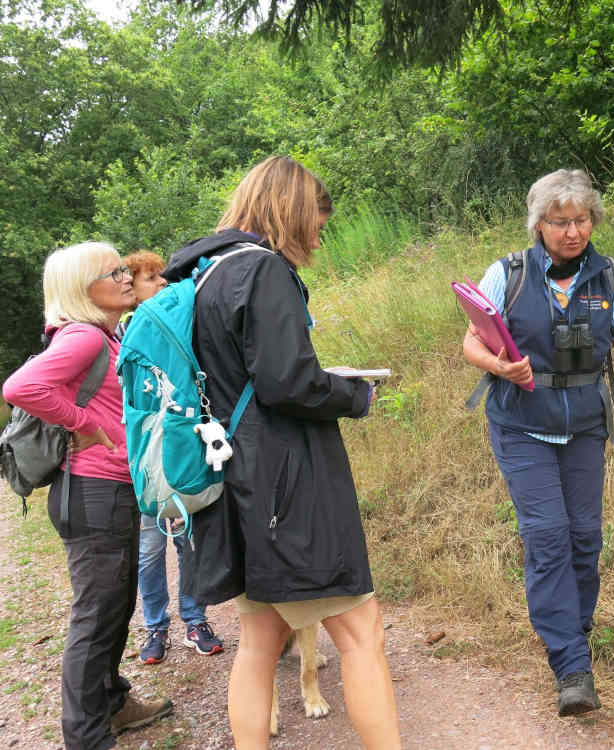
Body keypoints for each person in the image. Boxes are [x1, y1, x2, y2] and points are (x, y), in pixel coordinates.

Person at [161, 155, 402, 750]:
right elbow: (286, 383)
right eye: (319, 218)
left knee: (259, 640)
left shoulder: (205, 274)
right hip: (285, 487)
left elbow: (245, 375)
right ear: (292, 211)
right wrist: (355, 392)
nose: (322, 232)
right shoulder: (264, 270)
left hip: (238, 482)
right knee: (361, 634)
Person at [462, 169, 614, 717]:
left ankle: (571, 631)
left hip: (584, 428)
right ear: (539, 225)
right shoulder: (508, 274)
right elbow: (470, 342)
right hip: (522, 425)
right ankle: (572, 666)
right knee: (547, 535)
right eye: (559, 222)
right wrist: (499, 365)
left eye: (581, 220)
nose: (572, 231)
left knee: (584, 540)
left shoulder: (608, 276)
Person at [3, 242, 174, 750]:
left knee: (115, 607)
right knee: (96, 617)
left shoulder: (104, 335)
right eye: (114, 272)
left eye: (124, 269)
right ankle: (86, 737)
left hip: (104, 491)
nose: (126, 277)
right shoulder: (84, 337)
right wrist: (87, 425)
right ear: (83, 289)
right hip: (93, 492)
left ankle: (113, 703)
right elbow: (21, 386)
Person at [118, 250, 224, 664]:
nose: (162, 284)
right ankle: (155, 628)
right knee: (149, 549)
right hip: (145, 459)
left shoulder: (179, 329)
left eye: (162, 277)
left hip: (177, 449)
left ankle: (195, 620)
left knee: (187, 542)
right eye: (150, 279)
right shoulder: (127, 338)